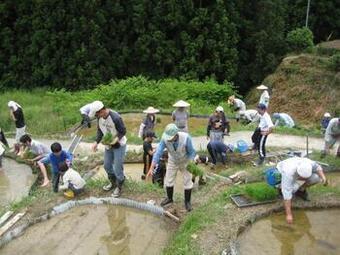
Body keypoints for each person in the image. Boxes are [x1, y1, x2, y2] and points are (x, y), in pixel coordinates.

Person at [147, 123, 196, 211]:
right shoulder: (164, 139)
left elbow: (192, 152)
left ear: (176, 134)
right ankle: (169, 199)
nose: (169, 140)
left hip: (185, 161)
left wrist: (190, 162)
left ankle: (187, 202)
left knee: (187, 180)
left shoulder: (186, 138)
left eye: (171, 138)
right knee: (169, 180)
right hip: (173, 160)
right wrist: (151, 168)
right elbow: (158, 153)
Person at [90, 101, 127, 198]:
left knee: (118, 167)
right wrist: (96, 142)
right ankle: (113, 182)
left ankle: (119, 186)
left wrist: (115, 140)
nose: (97, 116)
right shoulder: (99, 118)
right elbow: (100, 131)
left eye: (97, 114)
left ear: (102, 110)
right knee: (106, 165)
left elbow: (123, 131)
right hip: (108, 144)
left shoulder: (115, 118)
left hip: (119, 144)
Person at [276, 157, 327, 224]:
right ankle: (279, 188)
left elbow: (318, 167)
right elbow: (287, 194)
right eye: (302, 176)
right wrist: (289, 215)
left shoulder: (309, 163)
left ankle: (301, 190)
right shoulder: (288, 172)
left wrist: (323, 177)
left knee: (316, 178)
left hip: (296, 170)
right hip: (281, 170)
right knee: (291, 190)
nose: (303, 178)